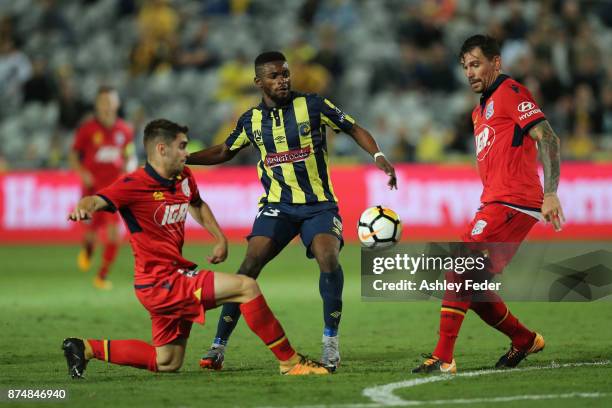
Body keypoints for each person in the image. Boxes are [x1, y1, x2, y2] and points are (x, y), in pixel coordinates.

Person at [62, 119, 330, 378]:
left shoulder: (183, 176)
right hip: (160, 282)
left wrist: (219, 237)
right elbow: (96, 200)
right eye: (182, 146)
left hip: (165, 280)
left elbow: (197, 203)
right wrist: (83, 209)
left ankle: (84, 347)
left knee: (167, 361)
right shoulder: (133, 184)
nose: (187, 153)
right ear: (161, 149)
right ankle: (290, 362)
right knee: (246, 287)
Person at [186, 51, 397, 372]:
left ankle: (330, 342)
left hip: (319, 205)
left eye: (285, 74)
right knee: (248, 268)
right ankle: (218, 346)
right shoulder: (251, 120)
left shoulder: (313, 105)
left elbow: (354, 128)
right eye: (274, 76)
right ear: (259, 82)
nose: (282, 80)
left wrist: (378, 155)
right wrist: (184, 159)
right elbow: (223, 151)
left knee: (328, 257)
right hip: (277, 207)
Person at [412, 35, 564, 374]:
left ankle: (443, 357)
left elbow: (548, 137)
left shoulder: (511, 93)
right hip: (494, 202)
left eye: (476, 63)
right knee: (471, 286)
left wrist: (550, 192)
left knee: (460, 268)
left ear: (496, 62)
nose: (470, 72)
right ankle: (524, 339)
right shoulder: (479, 111)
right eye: (465, 66)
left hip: (514, 202)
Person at [69, 86, 135, 290]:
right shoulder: (87, 129)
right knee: (91, 233)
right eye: (103, 102)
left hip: (113, 191)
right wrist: (83, 173)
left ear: (117, 104)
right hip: (91, 189)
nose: (106, 106)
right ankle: (88, 249)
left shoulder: (125, 130)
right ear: (97, 105)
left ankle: (102, 276)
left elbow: (128, 154)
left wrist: (128, 169)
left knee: (115, 234)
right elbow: (73, 155)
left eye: (110, 101)